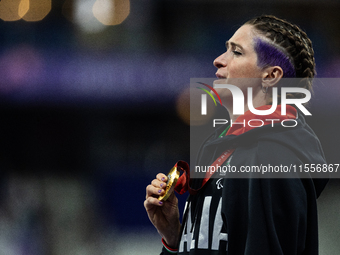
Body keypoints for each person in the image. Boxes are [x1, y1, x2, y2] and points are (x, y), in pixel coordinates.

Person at [144, 15, 328, 255]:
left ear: (271, 76)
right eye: (225, 50)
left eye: (237, 52)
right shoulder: (222, 146)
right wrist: (175, 238)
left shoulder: (272, 155)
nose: (218, 60)